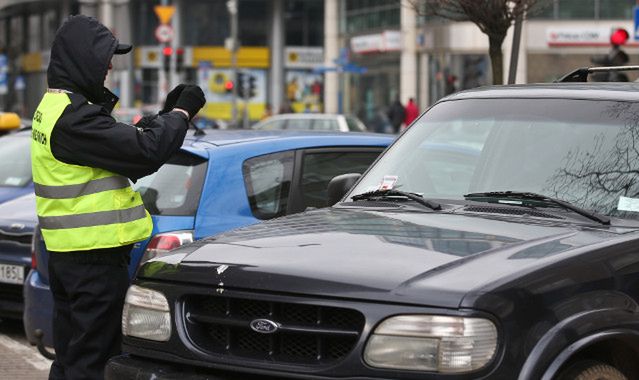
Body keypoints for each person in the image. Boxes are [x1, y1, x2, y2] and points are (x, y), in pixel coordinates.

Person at [30, 15, 205, 380]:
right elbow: (144, 152)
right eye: (104, 56)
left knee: (72, 357)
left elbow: (123, 148)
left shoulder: (56, 109)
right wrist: (181, 113)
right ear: (83, 58)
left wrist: (162, 117)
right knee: (92, 362)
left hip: (71, 257)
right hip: (91, 263)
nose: (110, 65)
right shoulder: (73, 119)